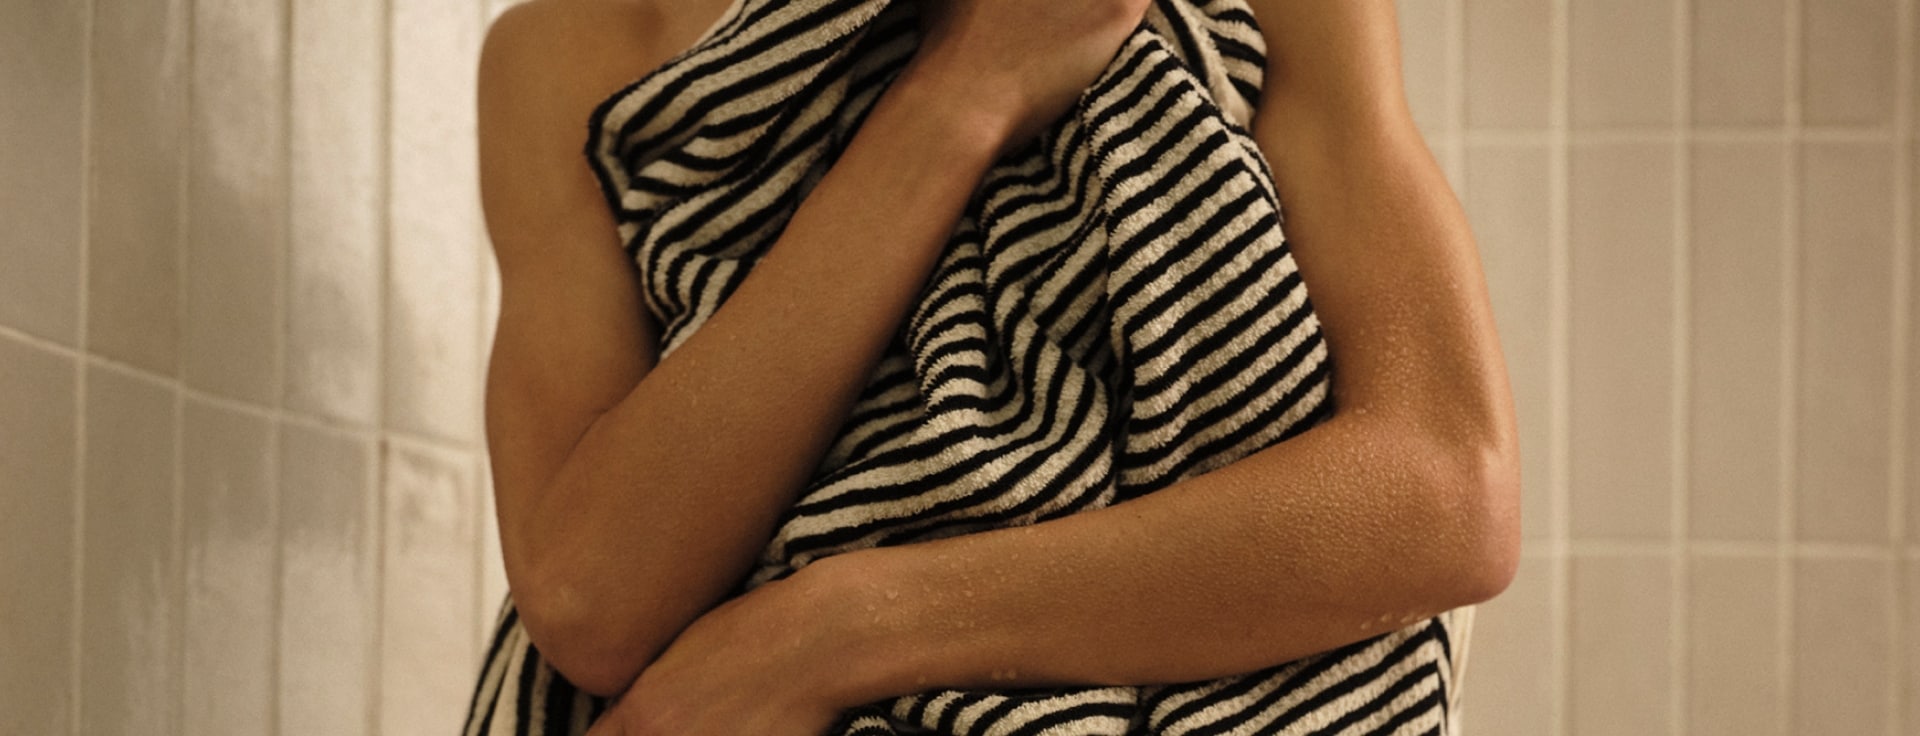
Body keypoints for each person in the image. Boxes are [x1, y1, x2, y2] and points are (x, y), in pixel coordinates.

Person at [471, 0, 1522, 733]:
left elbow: (1443, 492)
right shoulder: (566, 53)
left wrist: (830, 633)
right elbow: (588, 599)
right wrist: (967, 92)